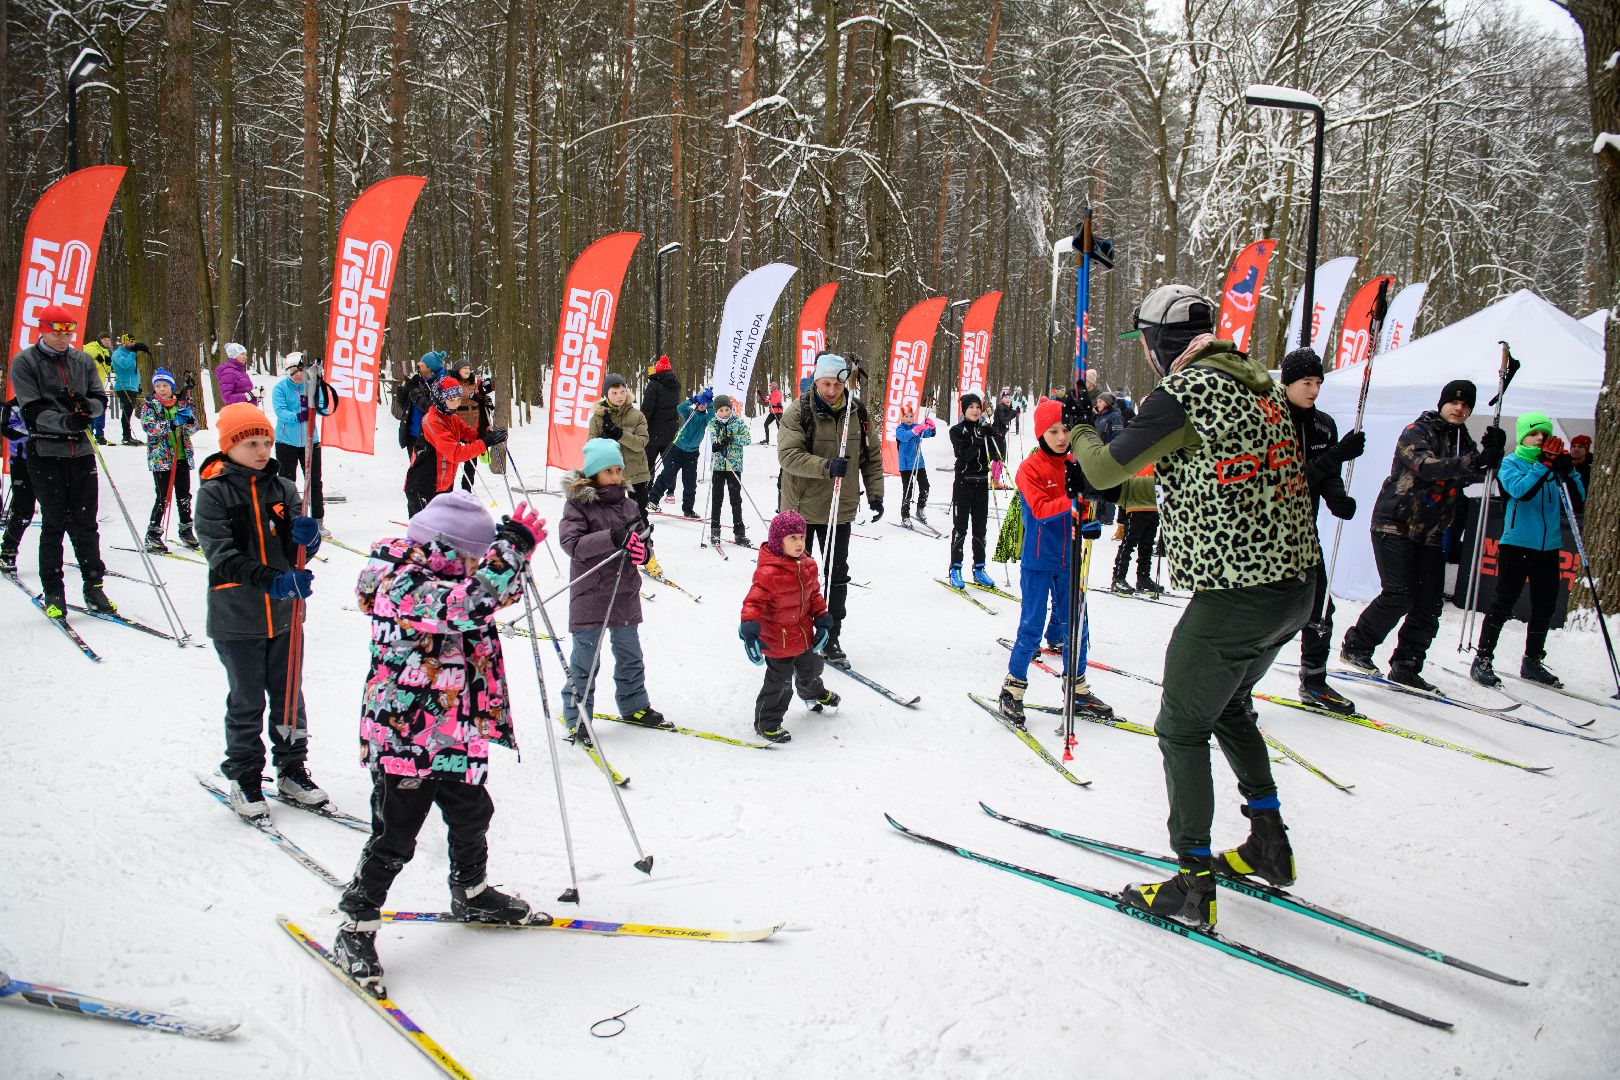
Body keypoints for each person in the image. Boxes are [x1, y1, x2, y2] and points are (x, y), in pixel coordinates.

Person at [1065, 284, 1323, 927]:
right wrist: (1121, 487)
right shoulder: (1258, 384)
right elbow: (1207, 476)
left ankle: (1193, 880)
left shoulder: (1182, 393)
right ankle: (1269, 842)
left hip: (1240, 593)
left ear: (1159, 342)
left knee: (1181, 727)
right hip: (1296, 585)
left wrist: (1081, 430)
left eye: (1146, 344)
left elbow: (1101, 469)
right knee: (1229, 705)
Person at [335, 491, 546, 989]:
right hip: (405, 734)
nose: (477, 567)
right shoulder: (401, 579)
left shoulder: (451, 575)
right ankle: (355, 921)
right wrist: (508, 551)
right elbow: (467, 605)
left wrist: (517, 553)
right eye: (475, 557)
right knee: (396, 834)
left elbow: (492, 595)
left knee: (473, 812)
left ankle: (470, 891)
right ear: (448, 550)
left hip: (456, 726)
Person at [193, 402, 326, 817]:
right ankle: (246, 776)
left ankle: (291, 768)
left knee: (289, 696)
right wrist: (273, 581)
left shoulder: (283, 489)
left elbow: (296, 549)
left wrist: (308, 539)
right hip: (237, 616)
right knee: (247, 700)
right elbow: (223, 555)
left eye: (266, 442)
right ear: (229, 447)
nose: (262, 450)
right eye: (251, 443)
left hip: (285, 617)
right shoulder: (214, 493)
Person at [1340, 379, 1505, 691]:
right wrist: (1474, 461)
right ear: (1442, 403)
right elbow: (1427, 467)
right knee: (1399, 593)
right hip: (1395, 524)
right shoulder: (1417, 430)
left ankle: (1407, 665)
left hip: (1431, 531)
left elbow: (1476, 473)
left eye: (1466, 405)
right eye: (1454, 402)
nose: (1459, 408)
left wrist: (1493, 453)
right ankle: (1357, 645)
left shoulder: (1463, 440)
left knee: (1429, 604)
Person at [999, 397, 1115, 725]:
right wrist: (1072, 500)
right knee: (1032, 626)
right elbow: (1040, 509)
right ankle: (1012, 690)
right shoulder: (1029, 468)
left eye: (1065, 429)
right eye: (1053, 431)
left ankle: (1077, 689)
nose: (1062, 437)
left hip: (1071, 558)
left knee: (1076, 626)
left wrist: (1089, 519)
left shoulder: (1075, 463)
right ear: (1041, 433)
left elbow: (1086, 504)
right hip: (1039, 559)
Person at [8, 305, 116, 618]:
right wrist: (65, 421)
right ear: (43, 329)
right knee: (54, 523)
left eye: (68, 333)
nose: (63, 338)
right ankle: (54, 590)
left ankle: (94, 586)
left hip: (81, 453)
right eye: (57, 332)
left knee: (86, 524)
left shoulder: (82, 360)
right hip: (46, 453)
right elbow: (31, 409)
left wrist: (86, 407)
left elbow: (100, 399)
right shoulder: (25, 362)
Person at [777, 352, 885, 666]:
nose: (831, 391)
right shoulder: (799, 411)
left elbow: (871, 458)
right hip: (801, 509)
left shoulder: (858, 413)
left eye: (837, 385)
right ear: (816, 381)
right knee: (798, 576)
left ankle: (830, 635)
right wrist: (826, 466)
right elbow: (788, 456)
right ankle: (795, 633)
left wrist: (875, 495)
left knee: (836, 575)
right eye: (826, 384)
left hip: (840, 509)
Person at [558, 438, 666, 739]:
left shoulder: (629, 504)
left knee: (630, 654)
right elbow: (572, 544)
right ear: (593, 473)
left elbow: (643, 540)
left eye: (618, 470)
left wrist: (643, 552)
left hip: (624, 591)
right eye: (609, 471)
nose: (616, 476)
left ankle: (634, 705)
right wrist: (612, 537)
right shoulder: (578, 504)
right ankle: (577, 716)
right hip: (591, 592)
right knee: (585, 660)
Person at [1277, 348, 1366, 714]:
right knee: (1267, 613)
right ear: (1287, 383)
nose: (1314, 390)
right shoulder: (1269, 421)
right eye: (1306, 383)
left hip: (1304, 532)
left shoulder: (1324, 425)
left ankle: (1314, 681)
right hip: (1264, 533)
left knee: (1321, 606)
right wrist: (1335, 456)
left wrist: (1336, 497)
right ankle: (1236, 688)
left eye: (1318, 383)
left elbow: (1326, 474)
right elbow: (1284, 480)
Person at [1469, 414, 1584, 688]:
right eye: (1534, 434)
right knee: (1503, 603)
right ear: (1522, 437)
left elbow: (1579, 500)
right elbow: (1520, 491)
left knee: (1545, 604)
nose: (1540, 439)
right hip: (1517, 543)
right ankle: (1482, 658)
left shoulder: (1553, 466)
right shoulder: (1512, 463)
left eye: (1545, 435)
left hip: (1548, 546)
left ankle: (1532, 660)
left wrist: (1568, 471)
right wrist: (1543, 465)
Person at [739, 510, 838, 743]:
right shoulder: (768, 573)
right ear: (778, 541)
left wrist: (822, 618)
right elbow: (753, 603)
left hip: (802, 635)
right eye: (792, 538)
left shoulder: (808, 565)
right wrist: (749, 630)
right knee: (780, 684)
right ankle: (767, 722)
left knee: (811, 668)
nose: (799, 543)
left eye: (801, 537)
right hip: (777, 640)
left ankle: (813, 693)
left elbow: (814, 596)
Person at [406, 377, 506, 516]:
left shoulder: (451, 418)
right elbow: (456, 454)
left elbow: (473, 435)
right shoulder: (432, 421)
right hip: (423, 487)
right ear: (440, 399)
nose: (456, 404)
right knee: (431, 529)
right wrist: (486, 442)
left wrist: (484, 415)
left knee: (445, 528)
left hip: (443, 486)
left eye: (458, 399)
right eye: (451, 400)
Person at [137, 368, 201, 553]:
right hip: (161, 458)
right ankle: (153, 533)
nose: (162, 389)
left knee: (184, 496)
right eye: (158, 386)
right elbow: (149, 427)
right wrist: (171, 424)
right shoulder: (150, 405)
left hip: (181, 456)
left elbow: (194, 428)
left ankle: (186, 530)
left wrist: (189, 421)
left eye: (165, 385)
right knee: (163, 497)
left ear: (172, 387)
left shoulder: (181, 403)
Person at [946, 391, 1004, 590]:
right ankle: (955, 568)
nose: (975, 410)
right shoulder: (957, 431)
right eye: (971, 407)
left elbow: (996, 455)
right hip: (964, 483)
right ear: (964, 410)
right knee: (960, 527)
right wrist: (978, 437)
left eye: (978, 407)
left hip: (981, 484)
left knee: (980, 528)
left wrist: (994, 434)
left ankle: (979, 567)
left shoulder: (983, 429)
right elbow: (966, 456)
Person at [271, 354, 337, 528]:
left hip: (310, 441)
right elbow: (280, 411)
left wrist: (317, 401)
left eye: (301, 371)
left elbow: (323, 407)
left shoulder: (312, 386)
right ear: (288, 372)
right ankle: (287, 521)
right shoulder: (280, 388)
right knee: (287, 482)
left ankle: (318, 521)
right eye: (293, 372)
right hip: (286, 442)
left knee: (314, 481)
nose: (298, 375)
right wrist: (298, 416)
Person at [588, 373, 651, 517]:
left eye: (622, 392)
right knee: (611, 515)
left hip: (636, 473)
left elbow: (641, 443)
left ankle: (642, 532)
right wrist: (603, 441)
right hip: (609, 475)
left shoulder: (637, 415)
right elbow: (590, 447)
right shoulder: (598, 418)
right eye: (614, 393)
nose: (619, 396)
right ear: (607, 394)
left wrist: (620, 434)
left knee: (638, 514)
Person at [647, 386, 711, 517]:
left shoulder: (706, 418)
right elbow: (680, 408)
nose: (702, 405)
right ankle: (653, 500)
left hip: (692, 454)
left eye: (705, 404)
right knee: (667, 475)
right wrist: (693, 400)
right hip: (677, 449)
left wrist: (709, 401)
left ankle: (688, 509)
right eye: (701, 403)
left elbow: (713, 413)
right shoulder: (690, 413)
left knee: (690, 482)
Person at [707, 394, 752, 546]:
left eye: (727, 409)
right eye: (721, 410)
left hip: (734, 466)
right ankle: (715, 530)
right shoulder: (713, 423)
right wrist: (717, 444)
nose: (725, 413)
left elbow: (747, 439)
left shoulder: (738, 422)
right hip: (719, 466)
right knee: (717, 499)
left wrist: (732, 439)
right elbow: (714, 437)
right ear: (716, 411)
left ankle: (739, 532)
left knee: (735, 499)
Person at [1109, 465, 1161, 596]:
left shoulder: (1158, 461)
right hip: (1135, 507)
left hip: (1153, 508)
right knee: (1129, 544)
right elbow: (1123, 484)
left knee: (1147, 546)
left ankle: (1143, 578)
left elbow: (1162, 484)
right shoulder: (1134, 460)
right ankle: (1118, 578)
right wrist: (1122, 515)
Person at [0, 397, 35, 573]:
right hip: (21, 462)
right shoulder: (13, 406)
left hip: (48, 461)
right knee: (23, 510)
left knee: (61, 509)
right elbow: (8, 430)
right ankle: (8, 550)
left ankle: (85, 554)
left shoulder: (47, 400)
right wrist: (34, 431)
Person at [393, 350, 446, 453]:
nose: (419, 366)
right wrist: (405, 390)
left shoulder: (443, 383)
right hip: (413, 436)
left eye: (422, 364)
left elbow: (430, 408)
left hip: (430, 438)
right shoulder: (421, 380)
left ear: (429, 367)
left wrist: (414, 390)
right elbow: (406, 407)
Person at [640, 355, 682, 477]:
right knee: (669, 466)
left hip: (653, 433)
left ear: (657, 369)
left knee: (649, 466)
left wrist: (640, 425)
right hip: (670, 431)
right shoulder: (675, 385)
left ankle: (648, 486)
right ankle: (669, 487)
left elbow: (647, 409)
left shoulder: (653, 385)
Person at [894, 404, 935, 526]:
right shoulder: (900, 429)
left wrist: (931, 427)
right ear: (902, 418)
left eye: (911, 416)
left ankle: (920, 509)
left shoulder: (916, 426)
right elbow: (905, 437)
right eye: (906, 416)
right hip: (906, 465)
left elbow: (928, 434)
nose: (909, 419)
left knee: (925, 487)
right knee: (908, 490)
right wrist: (917, 429)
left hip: (918, 463)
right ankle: (905, 516)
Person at [110, 333, 150, 445]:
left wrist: (138, 385)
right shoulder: (118, 353)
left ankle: (128, 436)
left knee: (130, 409)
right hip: (123, 386)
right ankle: (126, 436)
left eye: (134, 342)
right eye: (131, 342)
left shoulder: (130, 353)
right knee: (127, 409)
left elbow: (134, 371)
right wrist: (133, 353)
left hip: (132, 386)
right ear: (124, 342)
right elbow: (125, 365)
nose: (133, 344)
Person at [83, 332, 114, 446]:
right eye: (105, 340)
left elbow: (105, 369)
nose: (107, 342)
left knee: (101, 408)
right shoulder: (91, 348)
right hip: (89, 384)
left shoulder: (105, 351)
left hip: (99, 384)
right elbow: (86, 365)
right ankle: (89, 435)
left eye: (109, 340)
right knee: (91, 409)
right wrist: (97, 361)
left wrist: (108, 364)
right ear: (100, 339)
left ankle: (100, 435)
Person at [991, 390, 1017, 488]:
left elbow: (1007, 416)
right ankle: (996, 481)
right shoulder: (1001, 407)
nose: (1008, 399)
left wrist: (1014, 412)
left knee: (997, 458)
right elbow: (1004, 420)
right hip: (998, 435)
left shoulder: (1005, 407)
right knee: (1000, 459)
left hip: (999, 434)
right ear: (1002, 399)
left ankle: (994, 480)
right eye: (1005, 397)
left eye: (1009, 397)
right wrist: (1014, 413)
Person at [1569, 434, 1591, 523]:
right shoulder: (1562, 464)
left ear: (1586, 449)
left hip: (1581, 512)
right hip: (1562, 509)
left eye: (1580, 446)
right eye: (1573, 446)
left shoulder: (1591, 468)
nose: (1576, 449)